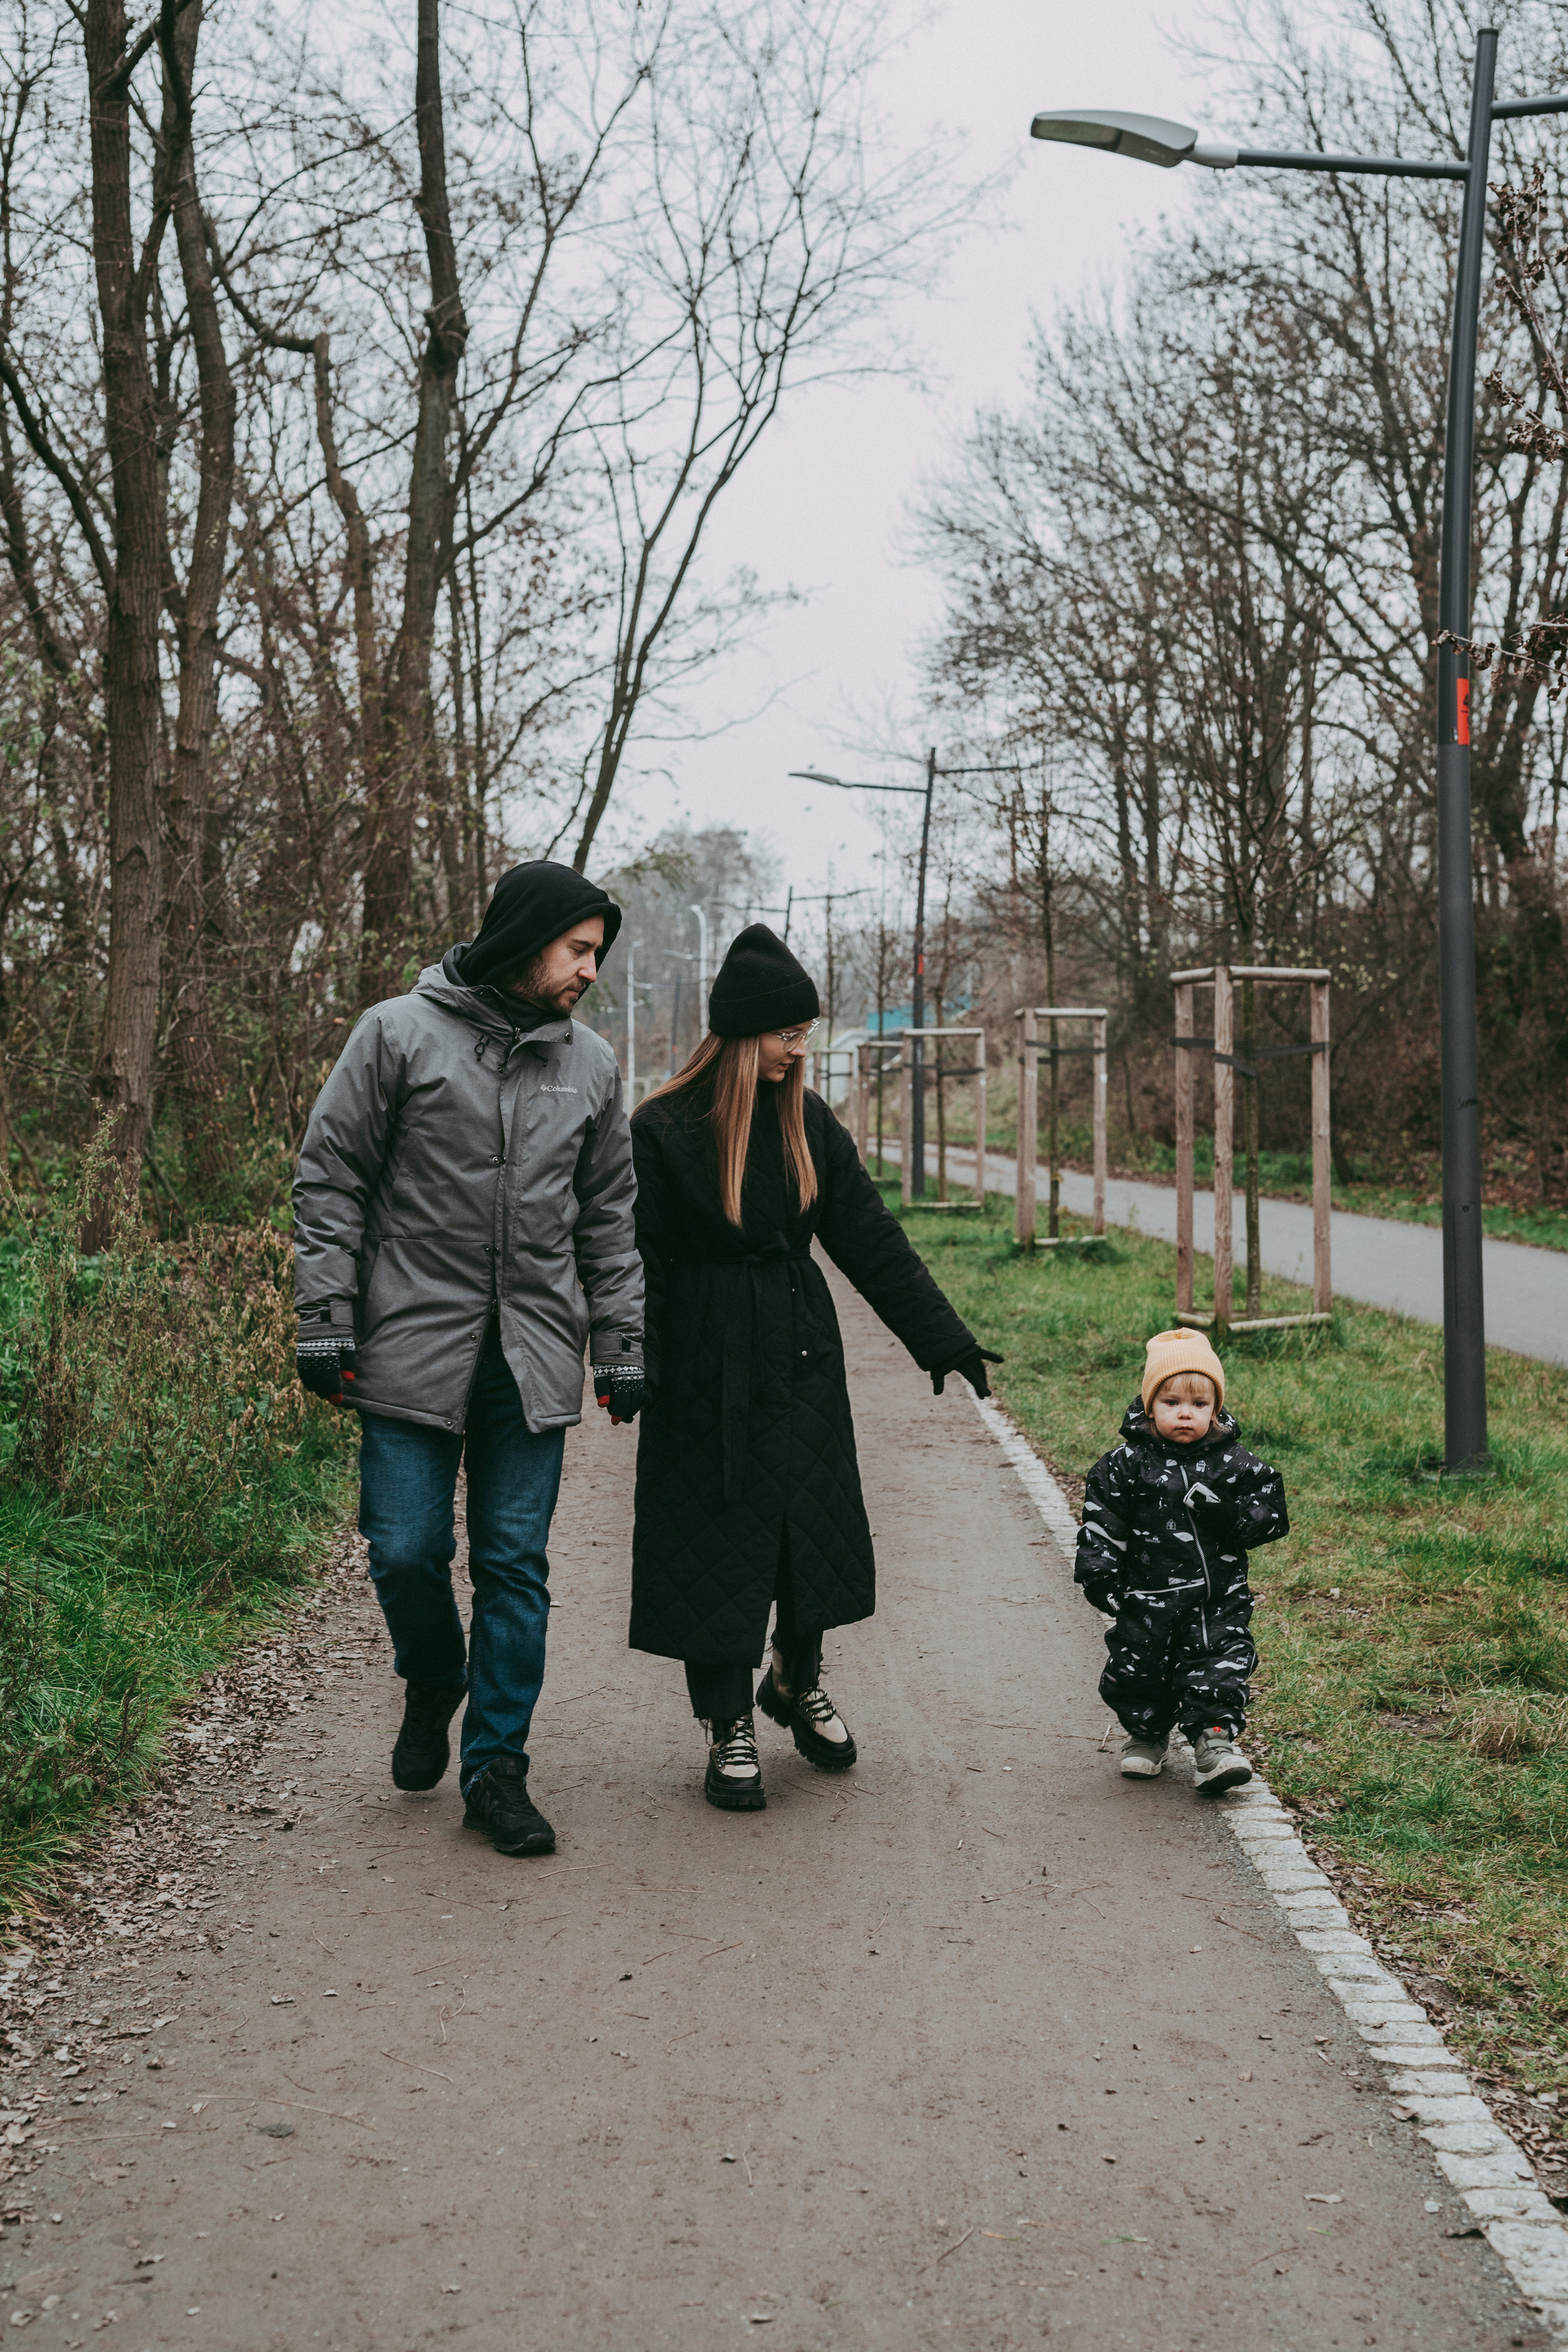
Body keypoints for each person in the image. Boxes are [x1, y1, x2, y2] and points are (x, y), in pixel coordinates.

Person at [292, 861, 646, 1858]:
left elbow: (610, 1221)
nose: (589, 971)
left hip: (531, 1360)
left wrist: (620, 1347)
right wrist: (325, 1315)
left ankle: (496, 1767)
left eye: (599, 955)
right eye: (578, 949)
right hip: (408, 1345)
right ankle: (434, 1673)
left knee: (513, 1567)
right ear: (526, 937)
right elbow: (332, 1181)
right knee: (405, 1551)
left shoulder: (591, 1064)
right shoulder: (396, 1034)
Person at [626, 922, 1001, 1811]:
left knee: (808, 1529)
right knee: (714, 1542)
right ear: (744, 1030)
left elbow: (867, 1236)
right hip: (702, 1365)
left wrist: (940, 1337)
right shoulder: (663, 1128)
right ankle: (728, 1725)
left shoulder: (808, 1122)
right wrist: (628, 1362)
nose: (802, 1049)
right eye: (789, 1034)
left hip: (799, 1353)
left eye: (805, 1034)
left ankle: (795, 1682)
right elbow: (631, 1260)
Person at [1074, 1328, 1288, 1796]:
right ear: (1150, 1405)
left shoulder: (1234, 1464)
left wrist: (1229, 1515)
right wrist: (1098, 1573)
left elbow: (1272, 1515)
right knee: (1138, 1668)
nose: (1186, 1413)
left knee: (1218, 1665)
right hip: (1145, 1596)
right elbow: (1101, 1523)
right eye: (1172, 1402)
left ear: (1216, 1409)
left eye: (1199, 1404)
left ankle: (1214, 1744)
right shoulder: (1123, 1466)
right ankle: (1148, 1735)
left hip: (1216, 1596)